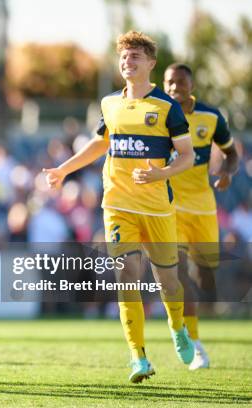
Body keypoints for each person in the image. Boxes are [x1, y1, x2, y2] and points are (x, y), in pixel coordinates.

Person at [44, 31, 196, 383]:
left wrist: (162, 173)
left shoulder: (166, 108)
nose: (127, 62)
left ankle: (177, 328)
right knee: (127, 276)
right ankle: (138, 357)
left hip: (157, 209)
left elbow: (186, 156)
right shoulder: (109, 103)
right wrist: (63, 170)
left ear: (150, 64)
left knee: (167, 281)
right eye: (124, 57)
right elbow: (100, 144)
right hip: (116, 204)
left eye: (135, 57)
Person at [163, 63, 239, 370]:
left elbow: (231, 153)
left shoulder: (211, 116)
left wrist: (226, 172)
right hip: (171, 208)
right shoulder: (159, 116)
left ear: (191, 85)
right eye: (169, 82)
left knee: (206, 276)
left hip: (204, 208)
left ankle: (190, 322)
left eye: (180, 82)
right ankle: (191, 341)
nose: (174, 88)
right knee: (179, 275)